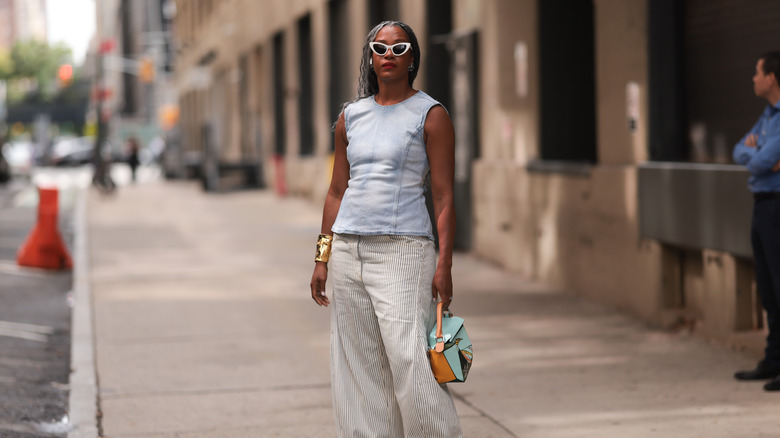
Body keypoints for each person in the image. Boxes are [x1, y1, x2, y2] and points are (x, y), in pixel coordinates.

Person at [309, 21, 462, 437]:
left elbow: (445, 198)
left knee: (413, 363)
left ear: (412, 57)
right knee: (359, 372)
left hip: (404, 251)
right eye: (380, 48)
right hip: (347, 253)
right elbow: (337, 191)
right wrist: (322, 257)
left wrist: (444, 266)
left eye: (399, 48)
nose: (389, 55)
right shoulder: (350, 117)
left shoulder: (431, 114)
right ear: (370, 58)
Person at [732, 51, 780, 391]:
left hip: (778, 206)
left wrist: (759, 155)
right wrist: (757, 152)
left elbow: (763, 163)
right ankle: (773, 360)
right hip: (761, 205)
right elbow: (742, 153)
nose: (753, 78)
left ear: (772, 77)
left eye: (757, 72)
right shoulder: (766, 117)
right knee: (768, 289)